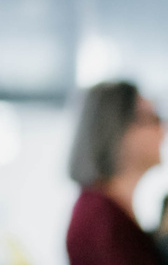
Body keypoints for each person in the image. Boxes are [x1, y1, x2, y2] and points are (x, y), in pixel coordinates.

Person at [65, 80, 164, 265]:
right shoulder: (101, 222)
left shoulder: (106, 212)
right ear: (120, 130)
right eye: (154, 118)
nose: (163, 129)